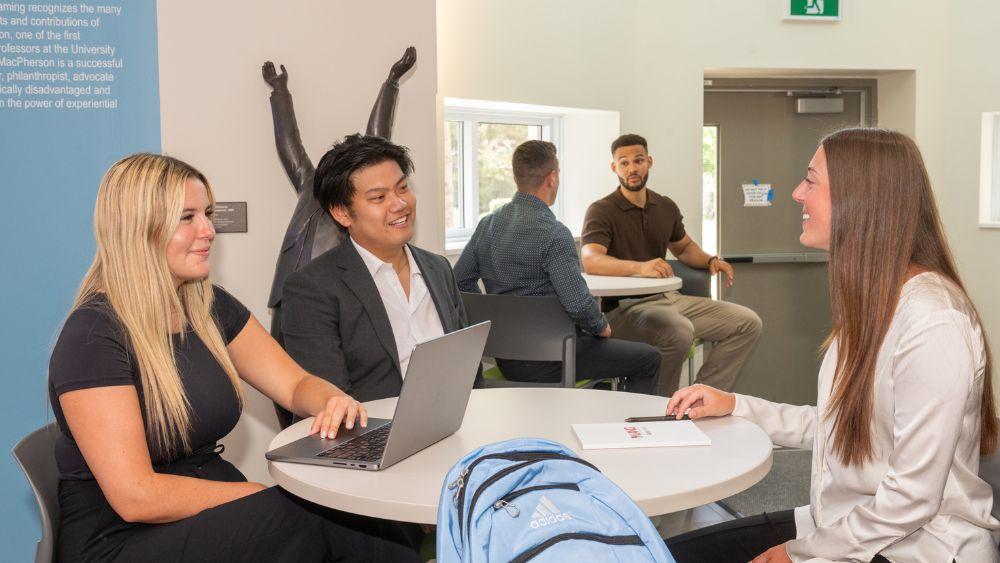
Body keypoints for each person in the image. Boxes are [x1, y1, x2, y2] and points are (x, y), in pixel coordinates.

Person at [48, 154, 421, 562]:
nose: (209, 230)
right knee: (321, 516)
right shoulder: (92, 337)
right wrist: (255, 495)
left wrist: (330, 399)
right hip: (122, 540)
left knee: (350, 511)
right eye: (187, 217)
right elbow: (136, 497)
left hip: (206, 511)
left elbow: (295, 384)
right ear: (137, 229)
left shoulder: (209, 308)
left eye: (206, 213)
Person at [664, 128, 1000, 563]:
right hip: (848, 525)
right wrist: (735, 404)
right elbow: (842, 427)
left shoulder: (934, 322)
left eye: (811, 181)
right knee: (668, 554)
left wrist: (797, 554)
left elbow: (912, 499)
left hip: (916, 549)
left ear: (860, 199)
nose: (796, 193)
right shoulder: (875, 300)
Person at [281, 134, 477, 410]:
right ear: (342, 213)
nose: (400, 204)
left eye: (403, 188)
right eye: (379, 197)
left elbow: (466, 368)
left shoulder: (438, 268)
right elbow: (331, 404)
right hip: (368, 439)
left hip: (449, 425)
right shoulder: (311, 288)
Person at [455, 140, 660, 393]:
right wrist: (601, 326)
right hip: (556, 358)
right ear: (552, 178)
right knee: (648, 358)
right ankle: (630, 429)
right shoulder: (554, 233)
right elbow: (577, 303)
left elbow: (460, 280)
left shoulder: (488, 225)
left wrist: (494, 322)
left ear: (517, 176)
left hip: (505, 358)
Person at [581, 133, 762, 395]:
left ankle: (699, 398)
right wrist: (640, 268)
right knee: (678, 333)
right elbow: (591, 260)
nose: (632, 168)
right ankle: (661, 410)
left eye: (638, 160)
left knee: (747, 323)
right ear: (614, 168)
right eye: (624, 163)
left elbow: (684, 248)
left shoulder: (664, 206)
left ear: (649, 162)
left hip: (669, 299)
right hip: (623, 310)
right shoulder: (601, 210)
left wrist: (711, 260)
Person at [261, 46, 417, 348]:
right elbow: (288, 142)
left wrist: (392, 82)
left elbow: (378, 136)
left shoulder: (366, 188)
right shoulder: (310, 182)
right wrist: (280, 91)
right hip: (293, 277)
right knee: (282, 361)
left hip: (344, 278)